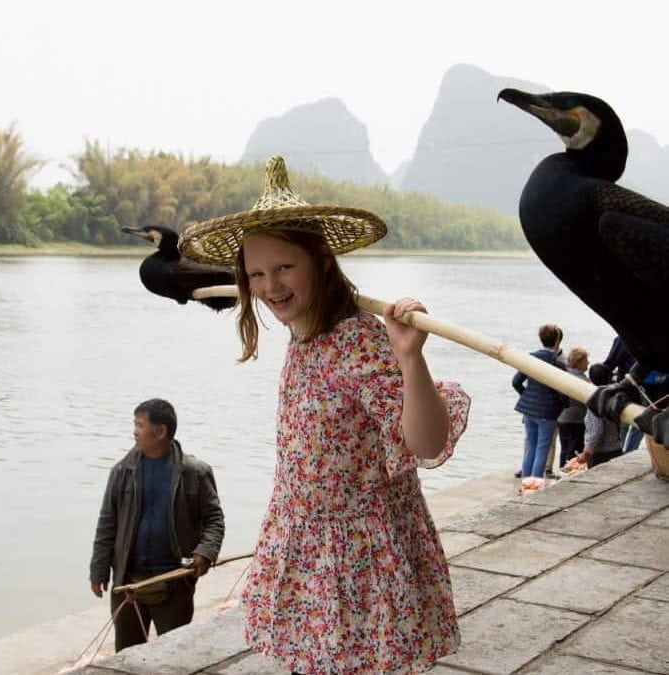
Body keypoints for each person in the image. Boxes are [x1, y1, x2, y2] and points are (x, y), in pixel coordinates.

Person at [179, 156, 470, 674]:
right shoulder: (303, 336)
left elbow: (425, 444)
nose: (270, 287)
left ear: (320, 260)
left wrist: (410, 356)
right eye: (257, 274)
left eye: (285, 267)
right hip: (305, 543)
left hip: (358, 555)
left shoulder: (356, 337)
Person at [89, 398, 225, 652]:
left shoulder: (194, 472)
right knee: (128, 656)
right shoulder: (121, 472)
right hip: (128, 585)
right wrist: (98, 571)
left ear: (160, 431)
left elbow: (214, 520)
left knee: (173, 655)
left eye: (140, 425)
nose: (134, 431)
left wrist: (205, 552)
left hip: (174, 584)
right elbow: (107, 524)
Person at [512, 324, 567, 492]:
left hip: (529, 409)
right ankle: (535, 484)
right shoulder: (557, 363)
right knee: (543, 447)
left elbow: (516, 382)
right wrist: (561, 404)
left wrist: (526, 395)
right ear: (557, 340)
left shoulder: (531, 358)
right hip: (547, 411)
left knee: (531, 444)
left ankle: (525, 482)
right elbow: (562, 391)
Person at [578, 364, 623, 467]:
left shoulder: (595, 399)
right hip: (615, 448)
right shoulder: (615, 395)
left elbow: (596, 430)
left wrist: (586, 453)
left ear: (590, 379)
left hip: (601, 454)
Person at [557, 347, 590, 468]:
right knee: (574, 449)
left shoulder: (563, 375)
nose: (588, 363)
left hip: (562, 417)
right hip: (577, 420)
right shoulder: (584, 381)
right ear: (579, 362)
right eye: (586, 360)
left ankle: (561, 469)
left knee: (564, 448)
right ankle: (570, 471)